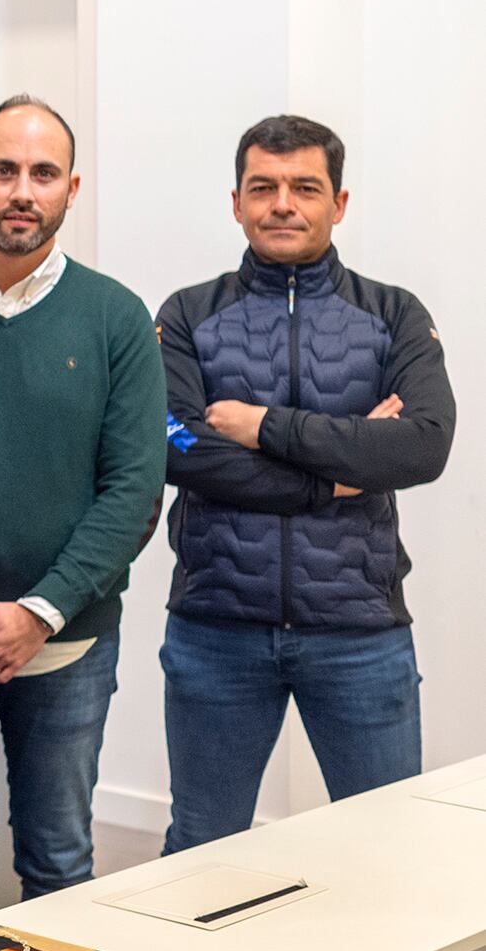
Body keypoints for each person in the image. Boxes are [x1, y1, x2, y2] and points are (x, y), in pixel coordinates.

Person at [0, 97, 165, 914]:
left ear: (71, 188)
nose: (22, 190)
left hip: (68, 641)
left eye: (43, 173)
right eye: (4, 170)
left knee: (59, 862)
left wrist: (39, 610)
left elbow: (134, 486)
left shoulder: (115, 315)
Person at [156, 115, 455, 852]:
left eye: (304, 187)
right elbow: (179, 447)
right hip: (216, 627)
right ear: (236, 202)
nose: (282, 203)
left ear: (339, 202)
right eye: (263, 187)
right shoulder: (189, 314)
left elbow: (421, 444)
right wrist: (335, 476)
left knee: (387, 849)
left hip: (359, 631)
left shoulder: (394, 313)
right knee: (200, 850)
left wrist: (262, 426)